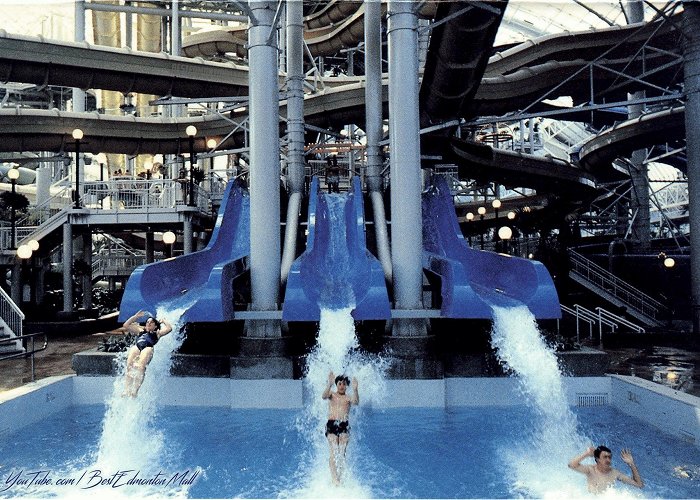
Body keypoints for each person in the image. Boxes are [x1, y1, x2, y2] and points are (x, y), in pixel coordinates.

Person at [122, 310, 172, 397]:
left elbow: (169, 328)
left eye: (151, 322)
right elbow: (126, 325)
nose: (149, 323)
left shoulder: (157, 333)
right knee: (129, 366)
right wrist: (135, 317)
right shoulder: (140, 331)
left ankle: (135, 391)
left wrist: (164, 321)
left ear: (155, 326)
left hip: (148, 348)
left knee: (141, 367)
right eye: (148, 322)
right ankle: (127, 390)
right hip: (137, 347)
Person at [322, 371, 359, 485]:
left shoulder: (348, 398)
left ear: (347, 386)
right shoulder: (332, 395)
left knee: (342, 452)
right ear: (336, 385)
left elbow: (356, 402)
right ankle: (334, 478)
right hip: (332, 425)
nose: (342, 386)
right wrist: (329, 384)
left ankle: (340, 477)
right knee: (334, 451)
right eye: (339, 384)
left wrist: (355, 389)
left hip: (344, 425)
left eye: (344, 384)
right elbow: (323, 396)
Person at [568, 445, 644, 494]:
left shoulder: (615, 473)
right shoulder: (590, 470)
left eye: (609, 457)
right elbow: (571, 465)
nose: (608, 460)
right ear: (597, 459)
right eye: (605, 457)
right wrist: (587, 454)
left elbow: (639, 484)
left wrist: (631, 464)